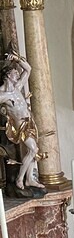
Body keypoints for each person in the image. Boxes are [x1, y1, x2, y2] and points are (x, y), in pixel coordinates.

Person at [0, 51, 42, 191]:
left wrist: (16, 59)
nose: (18, 74)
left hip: (29, 121)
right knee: (33, 150)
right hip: (20, 126)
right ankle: (20, 179)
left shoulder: (17, 87)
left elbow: (28, 69)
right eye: (14, 72)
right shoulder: (3, 94)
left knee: (33, 151)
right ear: (7, 75)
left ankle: (29, 179)